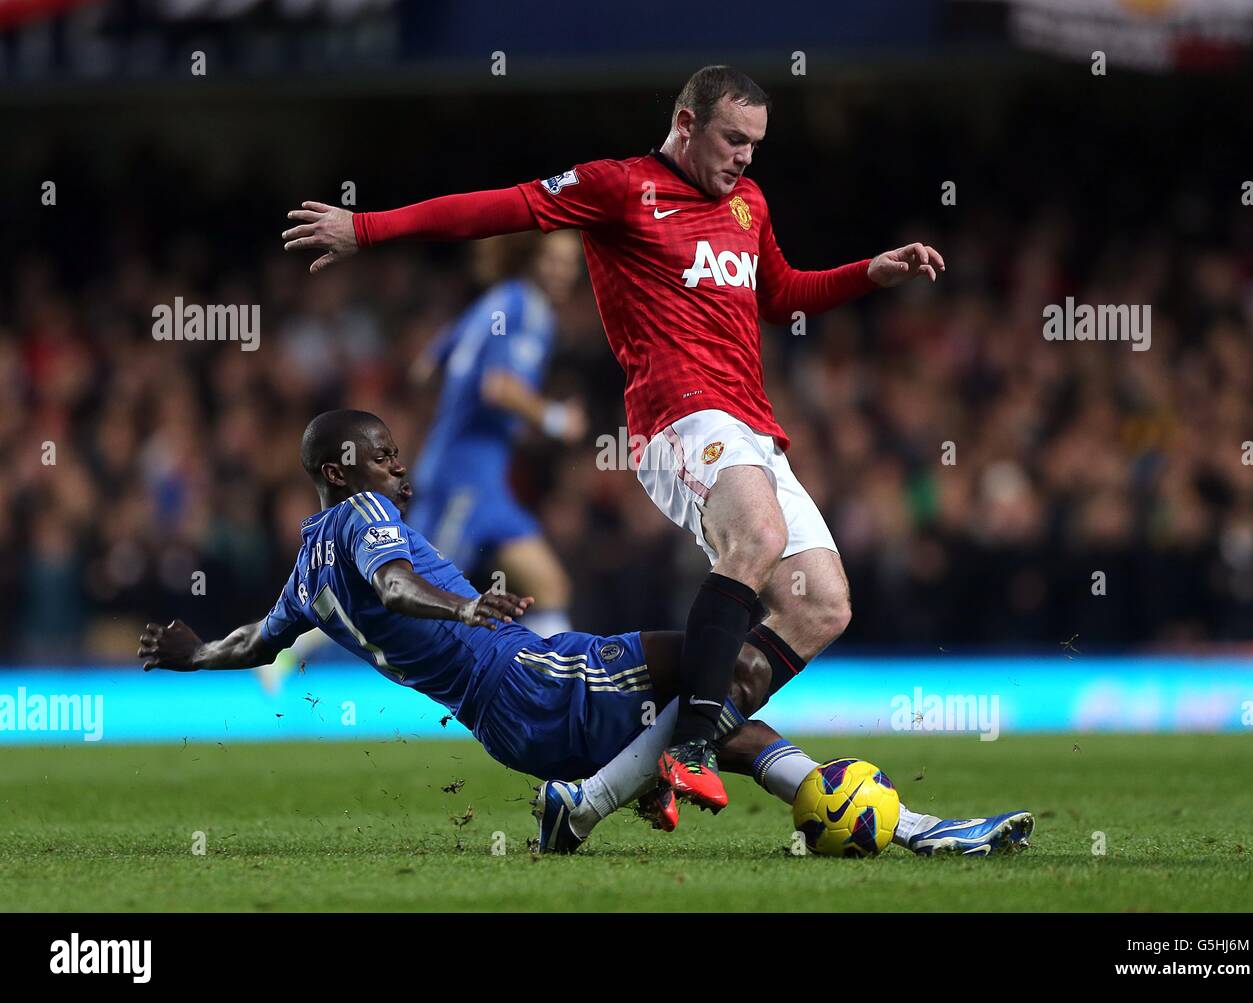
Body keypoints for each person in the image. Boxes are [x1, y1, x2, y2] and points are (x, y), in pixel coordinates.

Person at [281, 65, 945, 822]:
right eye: (733, 139)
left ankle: (605, 789)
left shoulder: (748, 205)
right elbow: (499, 209)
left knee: (823, 605)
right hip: (676, 421)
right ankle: (689, 746)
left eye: (756, 145)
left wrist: (870, 272)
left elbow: (781, 294)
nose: (745, 158)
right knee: (755, 538)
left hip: (753, 427)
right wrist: (365, 227)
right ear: (686, 124)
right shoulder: (620, 187)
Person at [137, 410, 1034, 857]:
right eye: (380, 452)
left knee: (715, 708)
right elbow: (397, 579)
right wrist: (462, 607)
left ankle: (905, 822)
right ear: (340, 470)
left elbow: (258, 639)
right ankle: (592, 799)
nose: (396, 462)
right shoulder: (359, 517)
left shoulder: (304, 570)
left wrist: (192, 657)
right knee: (720, 662)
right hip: (533, 675)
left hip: (506, 723)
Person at [406, 231, 586, 638]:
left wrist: (464, 413)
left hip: (485, 480)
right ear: (529, 258)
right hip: (462, 479)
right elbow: (498, 386)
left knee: (548, 585)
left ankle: (549, 688)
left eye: (570, 262)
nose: (563, 271)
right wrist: (556, 418)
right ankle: (297, 646)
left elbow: (423, 368)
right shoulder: (527, 308)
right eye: (553, 259)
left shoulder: (492, 302)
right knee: (417, 596)